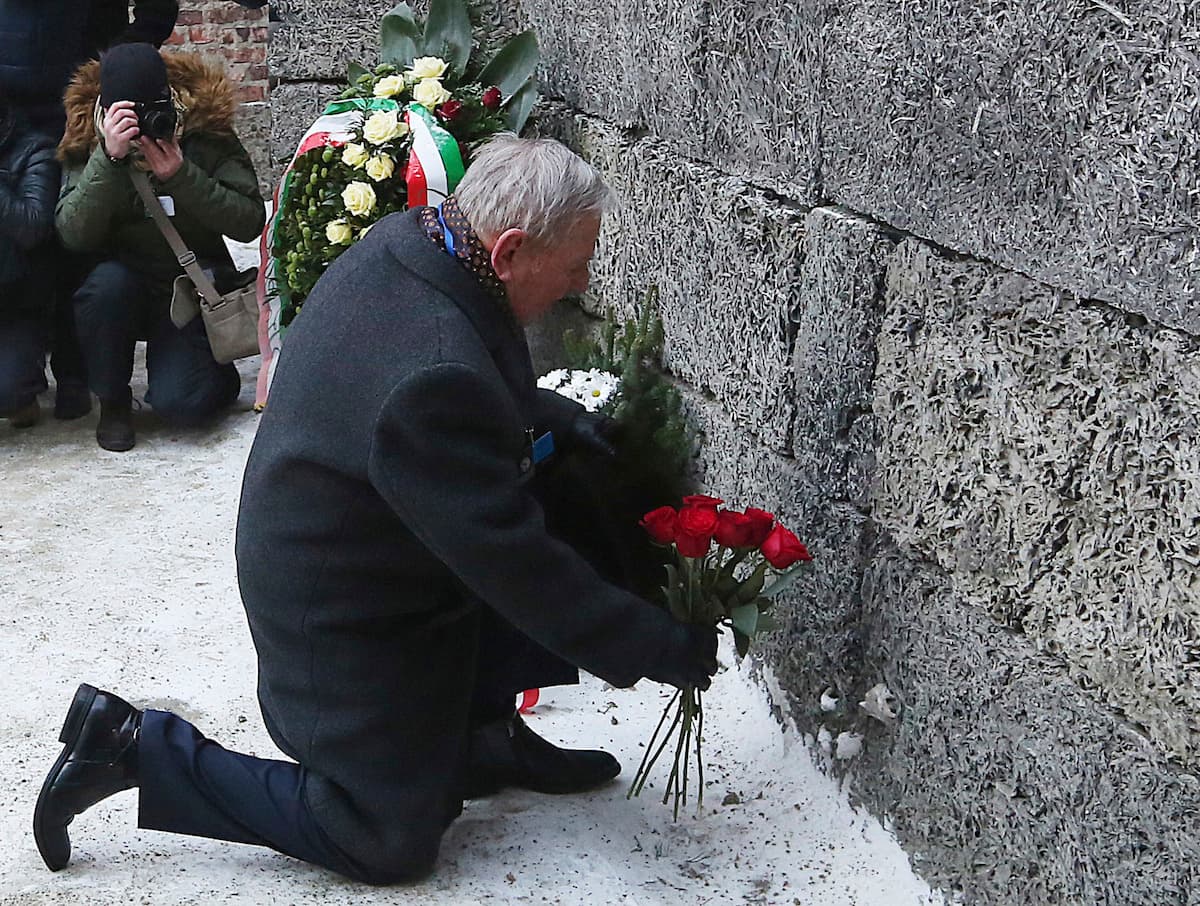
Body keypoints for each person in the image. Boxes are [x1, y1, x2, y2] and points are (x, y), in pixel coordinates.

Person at [33, 135, 718, 883]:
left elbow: (469, 380)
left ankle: (483, 740)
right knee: (383, 838)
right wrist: (653, 645)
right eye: (578, 261)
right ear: (511, 251)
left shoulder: (423, 241)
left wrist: (551, 415)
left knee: (553, 483)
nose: (584, 278)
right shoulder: (432, 373)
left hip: (374, 536)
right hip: (335, 609)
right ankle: (131, 747)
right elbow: (516, 564)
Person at [55, 43, 265, 451]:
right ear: (106, 109)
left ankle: (211, 375)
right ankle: (113, 401)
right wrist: (108, 159)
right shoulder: (89, 134)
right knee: (104, 288)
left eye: (152, 108)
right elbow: (72, 233)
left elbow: (249, 221)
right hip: (124, 285)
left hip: (189, 288)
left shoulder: (204, 128)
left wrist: (182, 175)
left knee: (183, 406)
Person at [0, 0, 181, 420]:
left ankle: (74, 373)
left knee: (78, 233)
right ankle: (21, 359)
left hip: (80, 92)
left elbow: (157, 8)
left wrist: (115, 54)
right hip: (7, 105)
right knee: (20, 229)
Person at [0, 93, 59, 427]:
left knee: (8, 393)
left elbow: (33, 227)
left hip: (14, 301)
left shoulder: (34, 150)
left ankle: (25, 386)